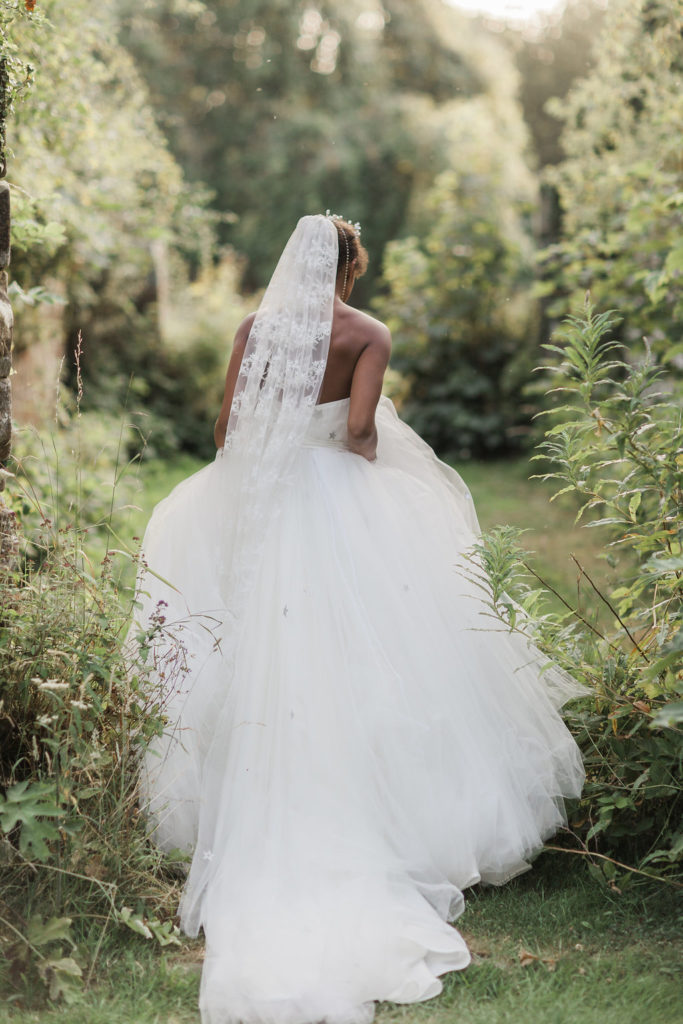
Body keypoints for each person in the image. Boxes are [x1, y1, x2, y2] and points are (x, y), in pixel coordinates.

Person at [130, 213, 586, 1024]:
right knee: (373, 648)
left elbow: (225, 429)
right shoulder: (366, 332)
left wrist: (271, 462)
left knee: (256, 645)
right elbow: (361, 431)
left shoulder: (253, 327)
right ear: (352, 268)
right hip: (335, 493)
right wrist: (357, 469)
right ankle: (386, 810)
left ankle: (248, 797)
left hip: (264, 495)